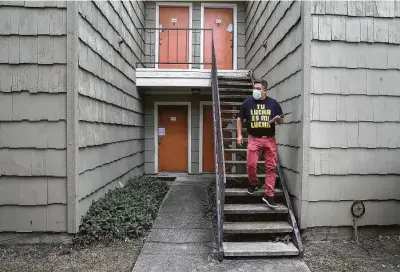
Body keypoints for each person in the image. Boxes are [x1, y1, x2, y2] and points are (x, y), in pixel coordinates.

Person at [236, 78, 283, 208]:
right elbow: (240, 119)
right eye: (254, 88)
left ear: (265, 91)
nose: (255, 91)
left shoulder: (273, 104)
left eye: (258, 89)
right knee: (251, 164)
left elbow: (280, 121)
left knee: (271, 167)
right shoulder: (247, 103)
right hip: (254, 139)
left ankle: (269, 194)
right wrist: (239, 135)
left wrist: (278, 119)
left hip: (270, 139)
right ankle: (253, 183)